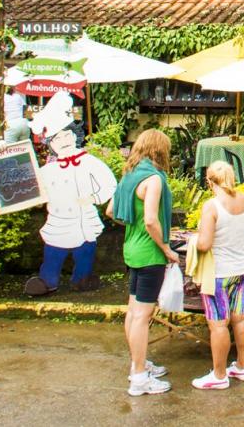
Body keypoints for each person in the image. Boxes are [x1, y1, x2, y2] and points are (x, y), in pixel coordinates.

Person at [106, 129, 178, 397]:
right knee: (143, 315)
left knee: (134, 310)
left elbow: (111, 211)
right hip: (149, 255)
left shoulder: (129, 175)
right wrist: (165, 248)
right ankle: (139, 377)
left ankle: (139, 362)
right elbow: (151, 219)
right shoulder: (154, 179)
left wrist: (132, 227)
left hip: (131, 250)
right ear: (160, 150)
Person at [23, 92, 117, 296]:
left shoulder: (89, 162)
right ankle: (47, 281)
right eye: (57, 138)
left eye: (67, 135)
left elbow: (109, 183)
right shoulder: (48, 169)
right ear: (51, 144)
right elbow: (34, 188)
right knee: (53, 253)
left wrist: (94, 198)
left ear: (75, 135)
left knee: (85, 251)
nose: (64, 141)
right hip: (58, 220)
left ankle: (82, 278)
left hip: (83, 219)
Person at [192, 161, 244, 390]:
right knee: (241, 317)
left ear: (210, 182)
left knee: (218, 324)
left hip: (218, 273)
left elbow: (204, 243)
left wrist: (194, 241)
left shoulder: (212, 206)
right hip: (241, 268)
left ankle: (219, 375)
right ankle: (241, 366)